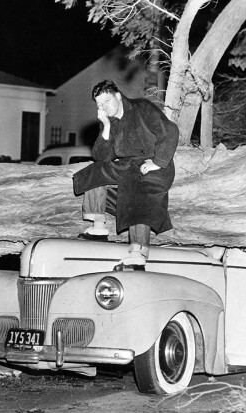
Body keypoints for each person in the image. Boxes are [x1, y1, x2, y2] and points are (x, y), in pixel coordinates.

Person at [72, 79, 179, 270]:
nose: (104, 107)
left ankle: (137, 254)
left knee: (138, 193)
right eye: (99, 105)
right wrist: (105, 126)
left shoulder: (142, 108)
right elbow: (102, 157)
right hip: (127, 167)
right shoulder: (110, 122)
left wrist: (157, 162)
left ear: (119, 96)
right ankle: (98, 227)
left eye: (107, 101)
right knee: (96, 171)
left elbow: (170, 131)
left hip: (153, 168)